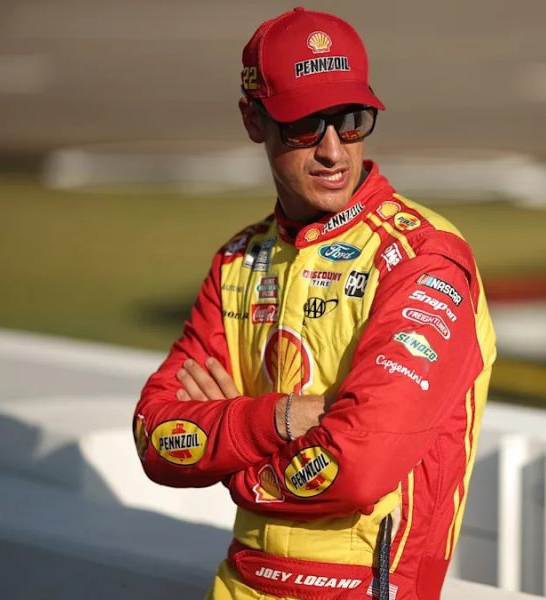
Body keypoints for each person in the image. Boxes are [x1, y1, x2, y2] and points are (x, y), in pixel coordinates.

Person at [131, 7, 496, 600]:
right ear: (254, 120)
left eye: (351, 121)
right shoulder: (238, 260)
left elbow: (359, 468)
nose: (333, 151)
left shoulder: (423, 258)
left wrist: (235, 464)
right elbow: (157, 438)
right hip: (236, 585)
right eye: (305, 125)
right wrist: (277, 418)